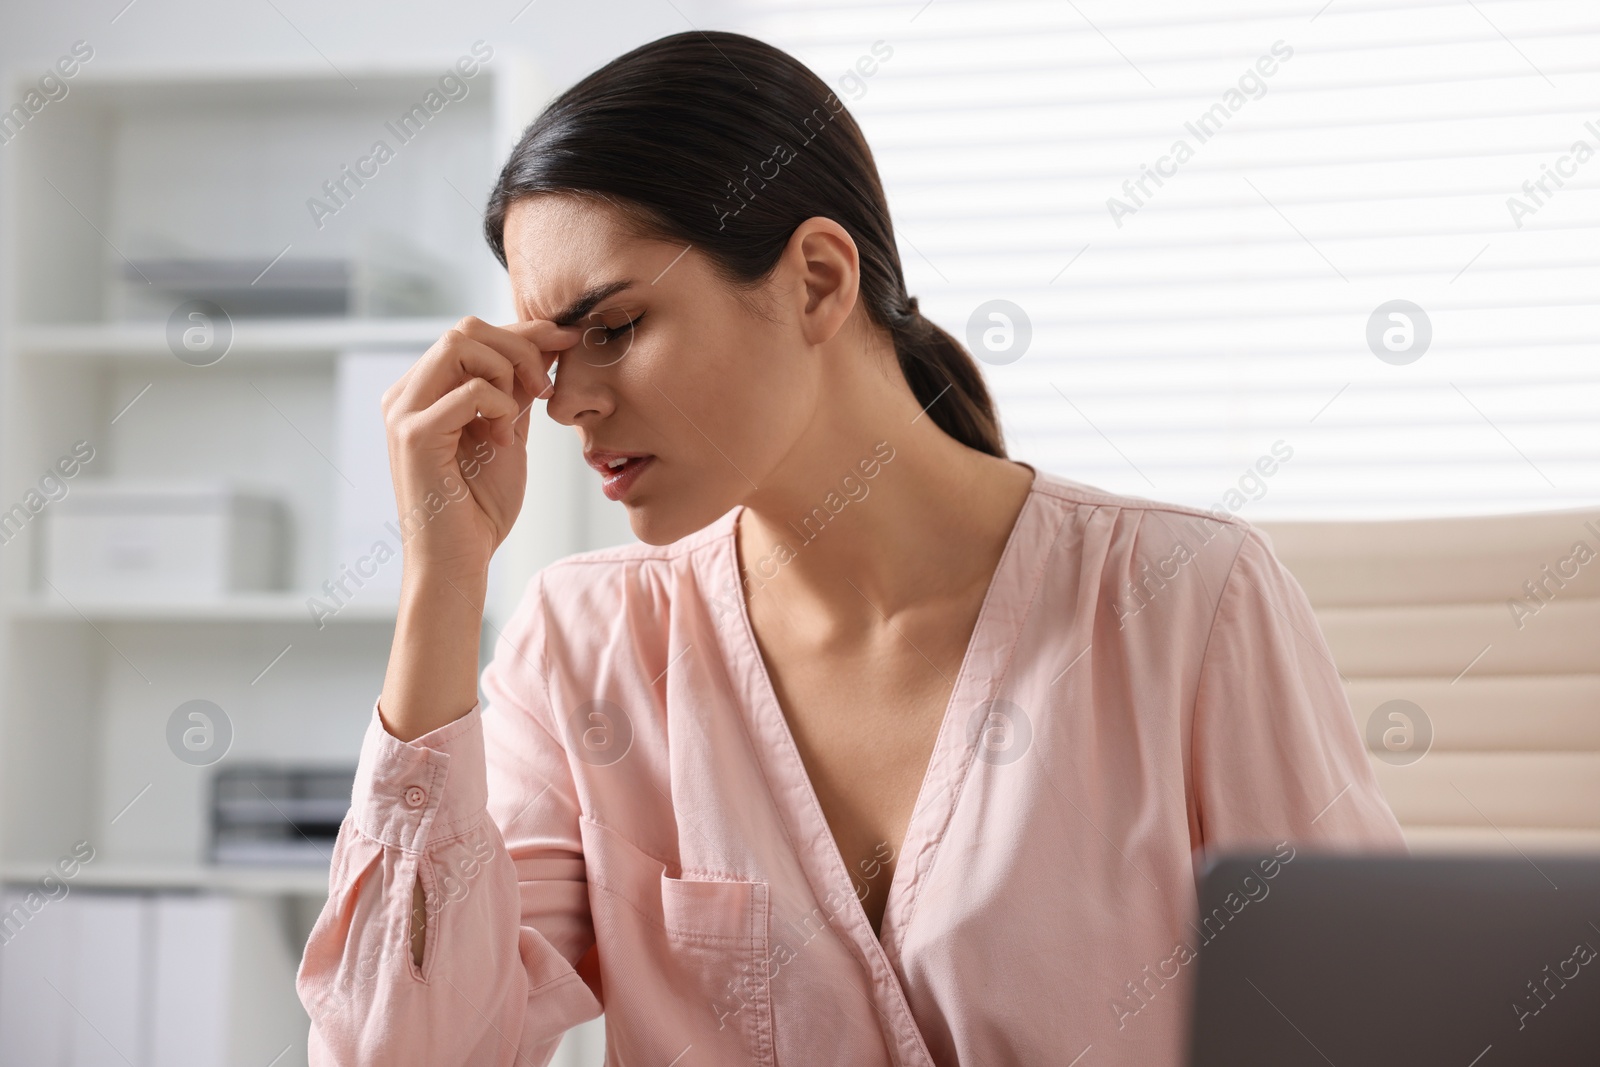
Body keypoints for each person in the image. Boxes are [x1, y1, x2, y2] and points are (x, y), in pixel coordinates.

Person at [295, 29, 1404, 1067]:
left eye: (615, 328)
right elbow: (407, 1049)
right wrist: (444, 578)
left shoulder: (1182, 601)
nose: (568, 401)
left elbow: (1365, 1024)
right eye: (550, 352)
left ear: (817, 279)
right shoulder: (587, 641)